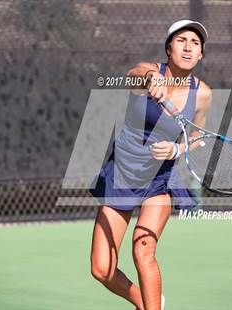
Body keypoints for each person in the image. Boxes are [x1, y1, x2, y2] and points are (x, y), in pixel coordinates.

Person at [89, 20, 212, 310]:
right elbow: (135, 73)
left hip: (161, 181)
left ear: (201, 55)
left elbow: (198, 137)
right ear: (169, 48)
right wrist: (151, 78)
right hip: (123, 174)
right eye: (181, 40)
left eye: (195, 44)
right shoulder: (148, 71)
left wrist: (177, 148)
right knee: (101, 269)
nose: (188, 47)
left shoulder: (203, 93)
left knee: (143, 248)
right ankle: (143, 302)